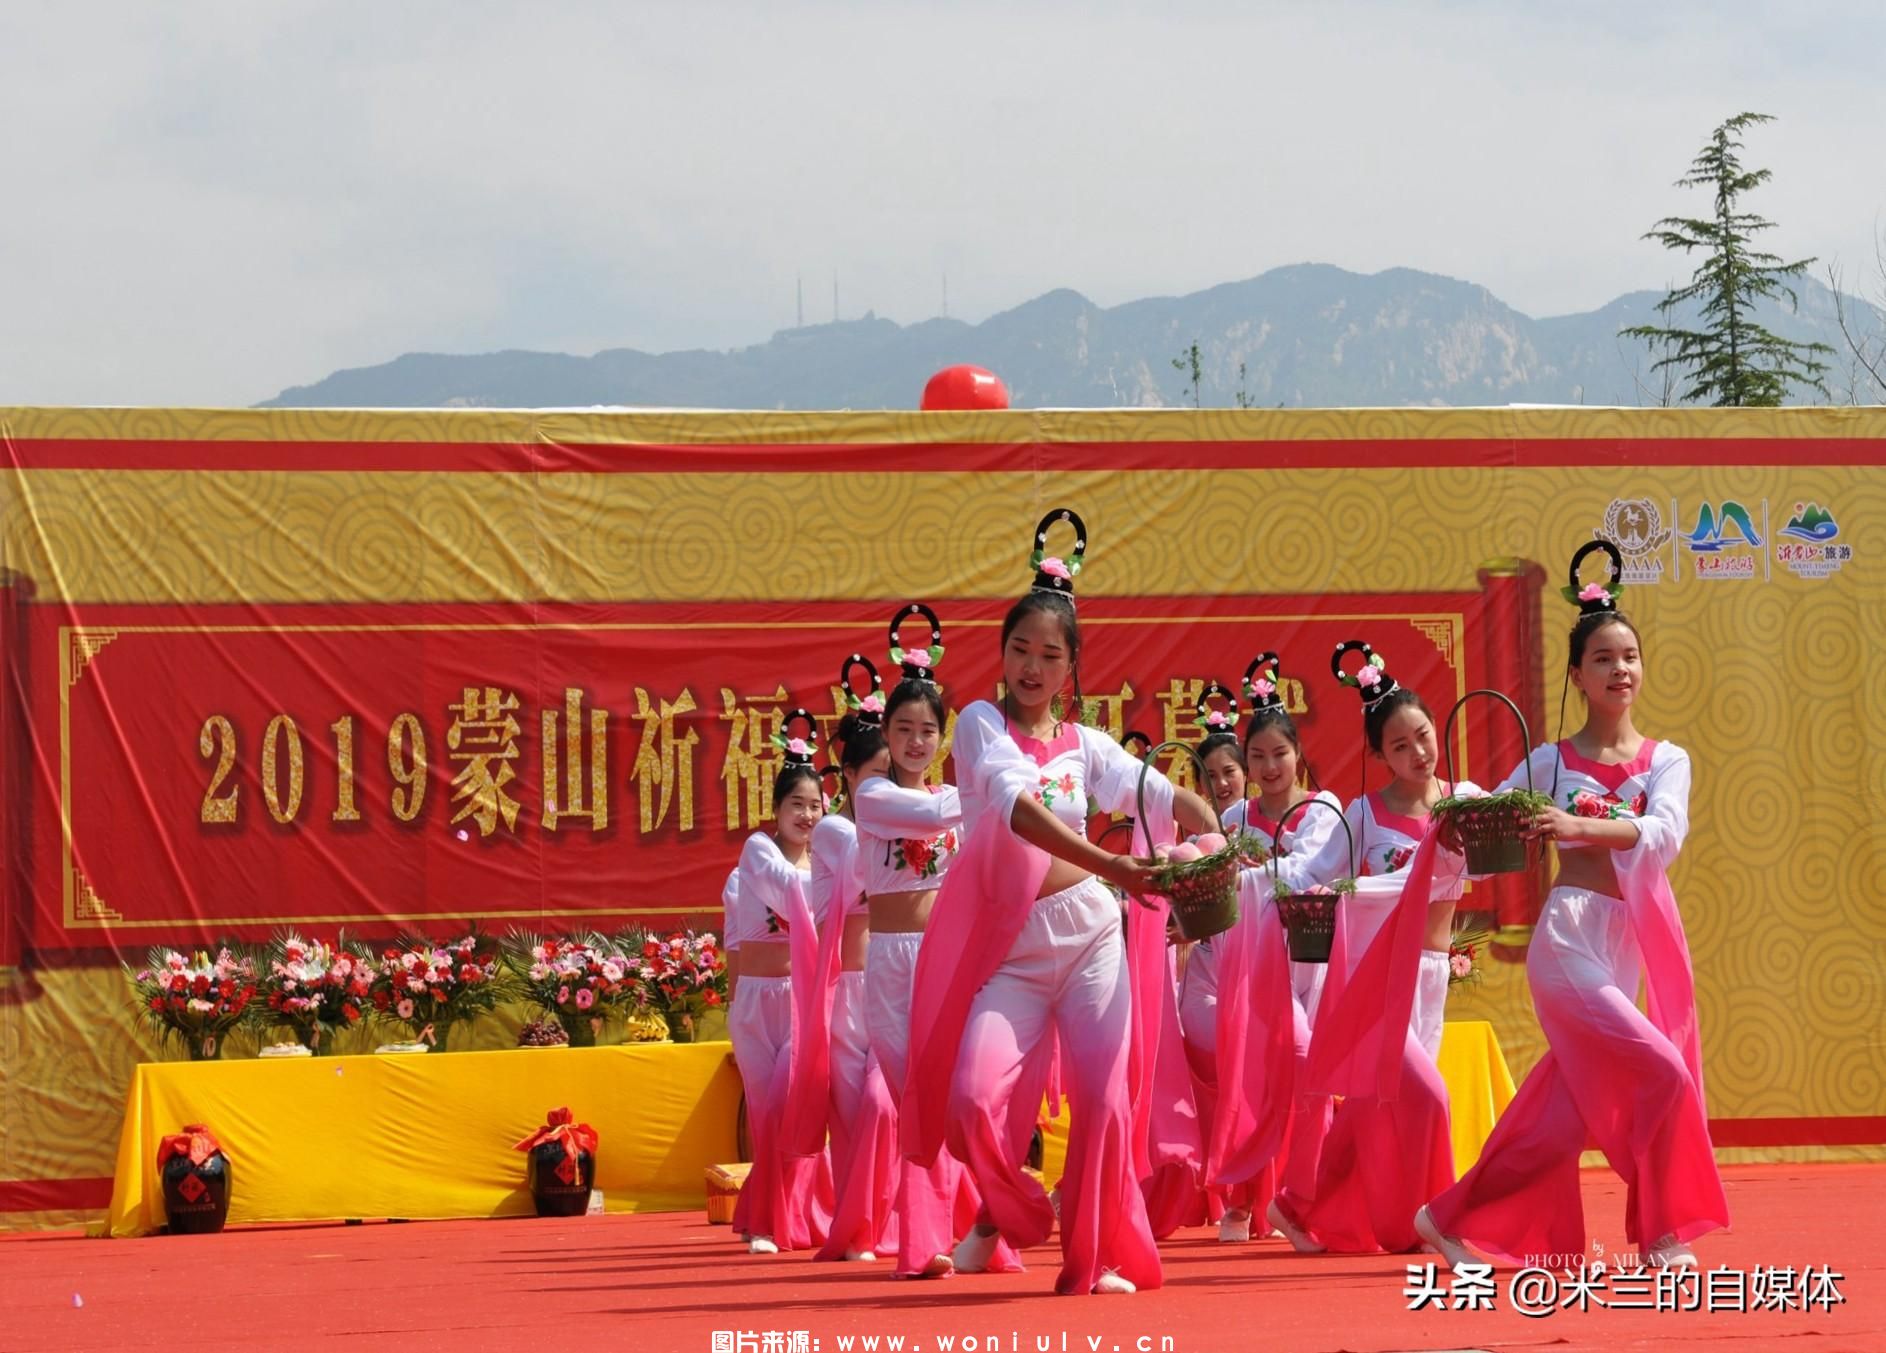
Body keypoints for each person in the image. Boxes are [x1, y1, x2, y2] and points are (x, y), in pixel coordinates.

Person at [905, 509, 1216, 1295]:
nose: (1033, 667)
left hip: (1090, 941)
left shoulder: (1086, 744)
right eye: (1020, 650)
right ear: (1002, 655)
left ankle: (1094, 1257)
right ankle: (1017, 1212)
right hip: (1010, 950)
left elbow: (1154, 791)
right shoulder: (979, 725)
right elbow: (1015, 810)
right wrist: (1112, 859)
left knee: (1105, 1103)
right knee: (973, 1099)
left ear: (1070, 666)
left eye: (1050, 655)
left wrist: (1208, 824)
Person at [1417, 542, 1728, 1270]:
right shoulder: (1551, 762)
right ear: (1577, 675)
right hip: (1567, 939)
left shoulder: (1665, 760)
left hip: (1625, 944)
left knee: (1558, 1123)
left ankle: (1443, 1216)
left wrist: (1579, 824)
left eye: (1629, 656)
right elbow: (1491, 809)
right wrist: (1456, 807)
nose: (1620, 669)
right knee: (1663, 1070)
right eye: (1603, 659)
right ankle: (1660, 1232)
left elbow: (1664, 834)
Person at [724, 712, 832, 1254]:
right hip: (754, 1006)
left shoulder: (831, 862)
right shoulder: (755, 855)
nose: (808, 815)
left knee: (796, 1106)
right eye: (798, 805)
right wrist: (731, 1004)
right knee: (766, 1115)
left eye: (817, 806)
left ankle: (796, 1213)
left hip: (802, 1003)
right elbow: (738, 944)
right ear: (776, 809)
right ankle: (766, 1218)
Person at [810, 657, 900, 1264]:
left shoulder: (899, 825)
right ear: (845, 777)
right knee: (850, 1120)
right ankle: (857, 1228)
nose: (886, 790)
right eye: (875, 777)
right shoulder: (834, 834)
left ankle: (894, 1222)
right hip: (845, 992)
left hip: (892, 982)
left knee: (884, 1104)